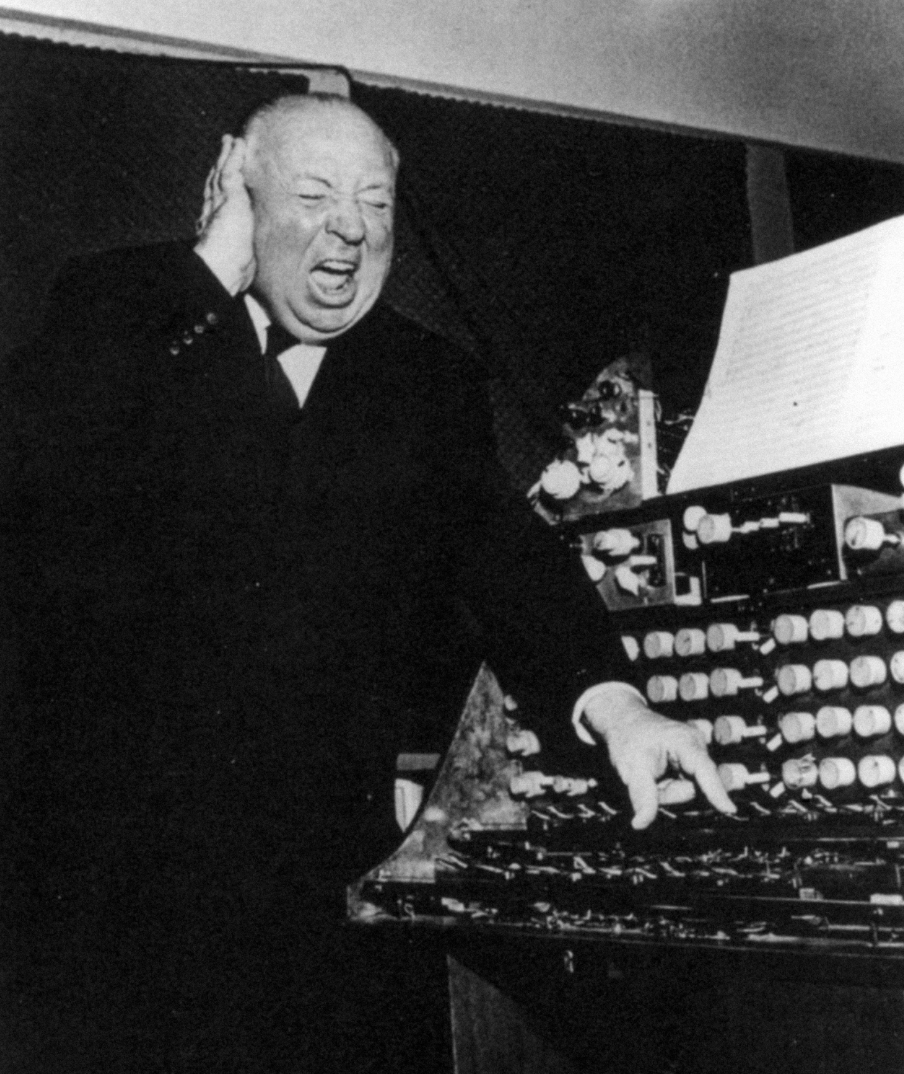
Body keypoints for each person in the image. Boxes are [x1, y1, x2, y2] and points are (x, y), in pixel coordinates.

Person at [1, 93, 733, 1073]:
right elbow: (38, 465)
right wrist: (211, 269)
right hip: (114, 892)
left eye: (375, 202)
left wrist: (618, 704)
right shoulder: (127, 307)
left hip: (325, 901)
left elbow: (507, 556)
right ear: (236, 188)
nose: (350, 227)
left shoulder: (427, 381)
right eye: (312, 195)